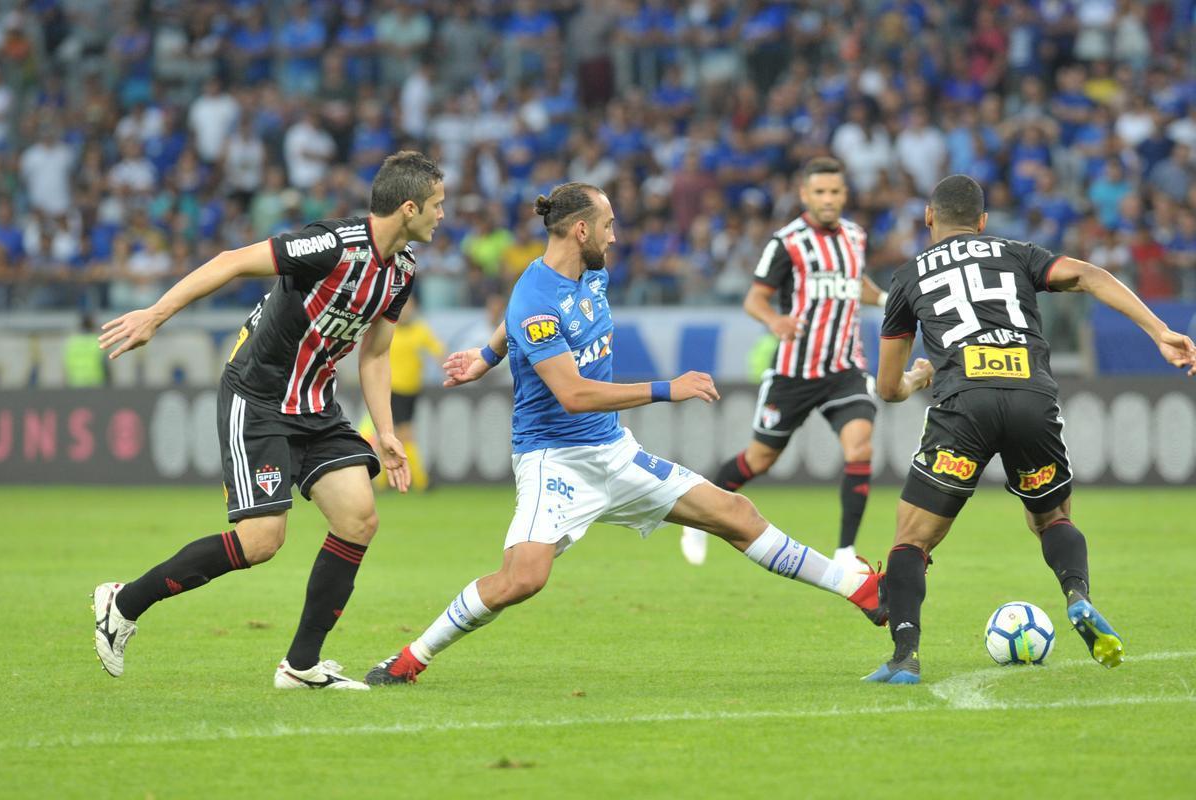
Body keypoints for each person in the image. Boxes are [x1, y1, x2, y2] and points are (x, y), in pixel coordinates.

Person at [363, 182, 886, 687]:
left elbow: (511, 327)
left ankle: (859, 588)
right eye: (609, 226)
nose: (616, 236)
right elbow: (573, 393)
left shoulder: (590, 272)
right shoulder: (537, 300)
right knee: (521, 579)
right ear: (582, 231)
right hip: (554, 459)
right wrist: (666, 388)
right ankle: (412, 657)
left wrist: (484, 356)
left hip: (613, 452)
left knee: (736, 514)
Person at [93, 151, 446, 690]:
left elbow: (375, 356)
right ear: (407, 207)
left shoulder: (401, 271)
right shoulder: (332, 244)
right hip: (257, 398)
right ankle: (124, 602)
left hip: (315, 405)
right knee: (261, 541)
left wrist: (389, 432)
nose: (442, 215)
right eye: (437, 205)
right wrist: (154, 316)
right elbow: (232, 260)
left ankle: (300, 667)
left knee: (358, 519)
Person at [865, 174, 1196, 684]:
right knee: (1052, 518)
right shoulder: (1017, 252)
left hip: (963, 403)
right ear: (982, 223)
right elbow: (1089, 274)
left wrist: (915, 379)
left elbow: (887, 387)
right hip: (1030, 397)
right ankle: (1077, 594)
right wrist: (1160, 331)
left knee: (912, 538)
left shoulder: (908, 278)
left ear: (929, 217)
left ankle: (904, 655)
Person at [681, 158, 888, 568]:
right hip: (794, 372)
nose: (828, 199)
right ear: (805, 195)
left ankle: (845, 552)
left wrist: (884, 300)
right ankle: (697, 515)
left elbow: (854, 284)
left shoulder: (855, 237)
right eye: (820, 192)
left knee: (860, 445)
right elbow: (754, 298)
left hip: (845, 367)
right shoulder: (787, 242)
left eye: (835, 192)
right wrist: (775, 319)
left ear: (844, 195)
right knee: (760, 459)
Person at [386, 295, 444, 490]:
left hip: (412, 390)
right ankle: (421, 481)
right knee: (404, 434)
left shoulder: (420, 330)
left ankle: (382, 481)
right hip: (393, 389)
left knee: (396, 436)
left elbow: (438, 350)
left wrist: (448, 365)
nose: (405, 312)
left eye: (409, 307)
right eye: (403, 308)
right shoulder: (389, 329)